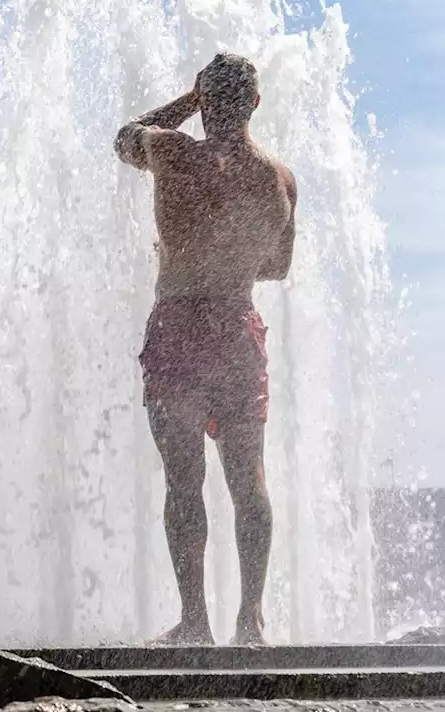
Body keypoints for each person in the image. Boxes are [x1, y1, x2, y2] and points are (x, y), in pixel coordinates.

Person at [112, 53, 297, 646]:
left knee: (184, 482)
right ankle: (251, 621)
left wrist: (186, 104)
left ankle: (195, 622)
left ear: (203, 98)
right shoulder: (279, 180)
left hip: (179, 330)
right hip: (236, 330)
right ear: (256, 104)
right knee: (250, 482)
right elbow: (278, 266)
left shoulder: (171, 153)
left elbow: (123, 137)